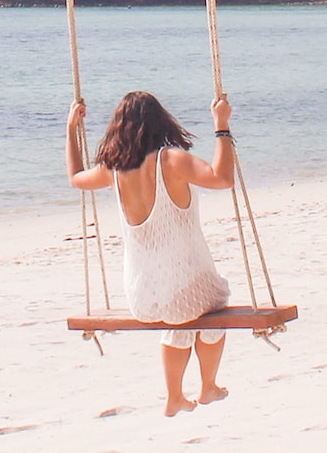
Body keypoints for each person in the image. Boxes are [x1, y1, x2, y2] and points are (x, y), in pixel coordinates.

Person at [64, 89, 236, 416]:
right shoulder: (172, 160)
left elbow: (75, 178)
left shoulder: (113, 169)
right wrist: (222, 126)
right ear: (161, 121)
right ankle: (207, 386)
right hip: (184, 294)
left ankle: (175, 395)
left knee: (181, 310)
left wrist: (70, 129)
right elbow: (223, 178)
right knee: (213, 302)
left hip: (141, 298)